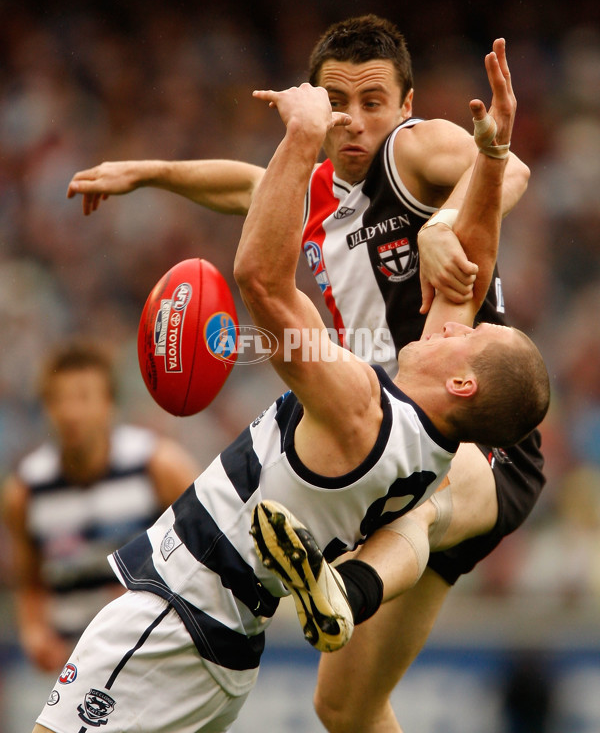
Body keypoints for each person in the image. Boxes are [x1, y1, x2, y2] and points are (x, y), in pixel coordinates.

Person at [32, 42, 548, 733]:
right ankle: (345, 588)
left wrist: (444, 225)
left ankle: (352, 586)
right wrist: (149, 172)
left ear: (408, 107)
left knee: (424, 507)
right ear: (317, 105)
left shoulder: (416, 152)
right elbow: (247, 184)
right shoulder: (319, 194)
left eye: (374, 102)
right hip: (399, 438)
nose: (357, 121)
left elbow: (508, 169)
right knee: (344, 709)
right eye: (337, 103)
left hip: (475, 432)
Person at [1, 339, 199, 676]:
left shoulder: (159, 467)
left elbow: (203, 550)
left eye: (83, 397)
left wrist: (148, 584)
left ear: (109, 404)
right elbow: (31, 582)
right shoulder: (25, 491)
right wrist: (35, 633)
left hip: (150, 660)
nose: (71, 412)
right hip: (70, 669)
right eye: (59, 400)